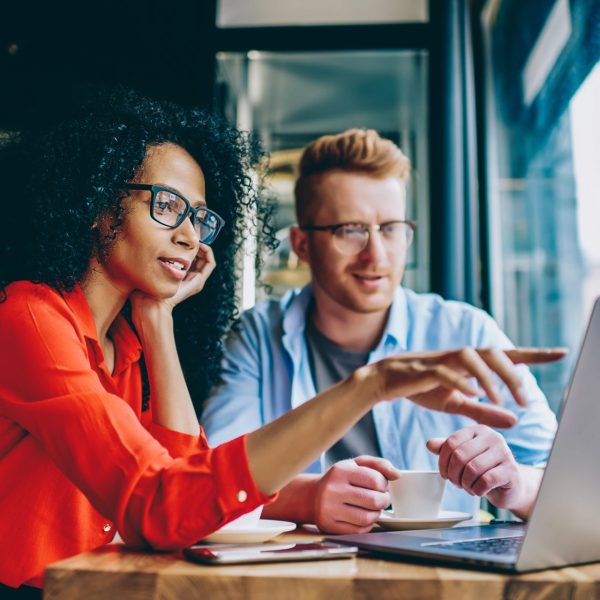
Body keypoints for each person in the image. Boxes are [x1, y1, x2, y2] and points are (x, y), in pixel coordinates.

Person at [0, 95, 562, 596]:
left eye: (198, 217)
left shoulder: (126, 340)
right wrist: (369, 387)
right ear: (99, 207)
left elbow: (187, 481)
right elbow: (172, 502)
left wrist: (159, 319)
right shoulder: (32, 319)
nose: (191, 236)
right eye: (167, 206)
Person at [202, 128, 561, 534]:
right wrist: (309, 497)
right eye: (350, 230)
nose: (376, 254)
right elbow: (211, 480)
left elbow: (568, 480)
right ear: (301, 245)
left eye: (390, 228)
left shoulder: (465, 331)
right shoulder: (257, 336)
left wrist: (515, 485)